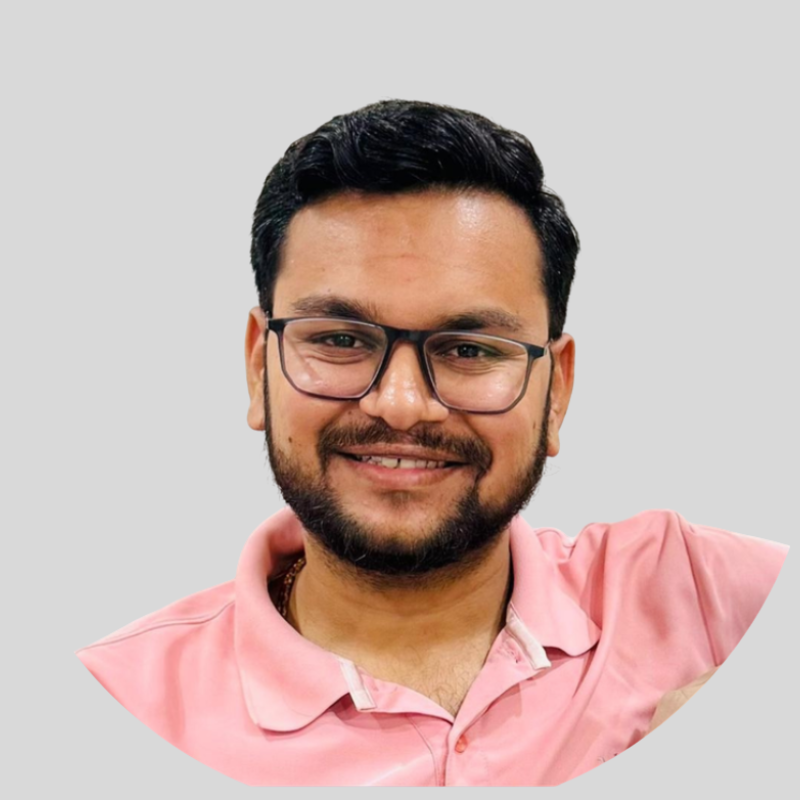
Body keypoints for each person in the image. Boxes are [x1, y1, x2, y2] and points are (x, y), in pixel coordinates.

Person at [76, 99, 789, 787]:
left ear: (557, 391)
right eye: (341, 340)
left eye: (469, 349)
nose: (401, 405)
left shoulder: (691, 592)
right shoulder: (118, 706)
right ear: (260, 367)